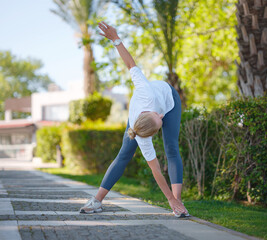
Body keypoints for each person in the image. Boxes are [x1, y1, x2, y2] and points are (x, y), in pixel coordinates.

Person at [79, 21, 189, 218]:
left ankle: (178, 204)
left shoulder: (146, 91)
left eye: (158, 118)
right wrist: (167, 198)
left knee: (171, 147)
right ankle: (96, 201)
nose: (161, 116)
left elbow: (130, 63)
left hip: (169, 98)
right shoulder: (141, 135)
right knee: (124, 153)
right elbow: (156, 170)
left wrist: (116, 39)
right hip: (142, 117)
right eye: (160, 120)